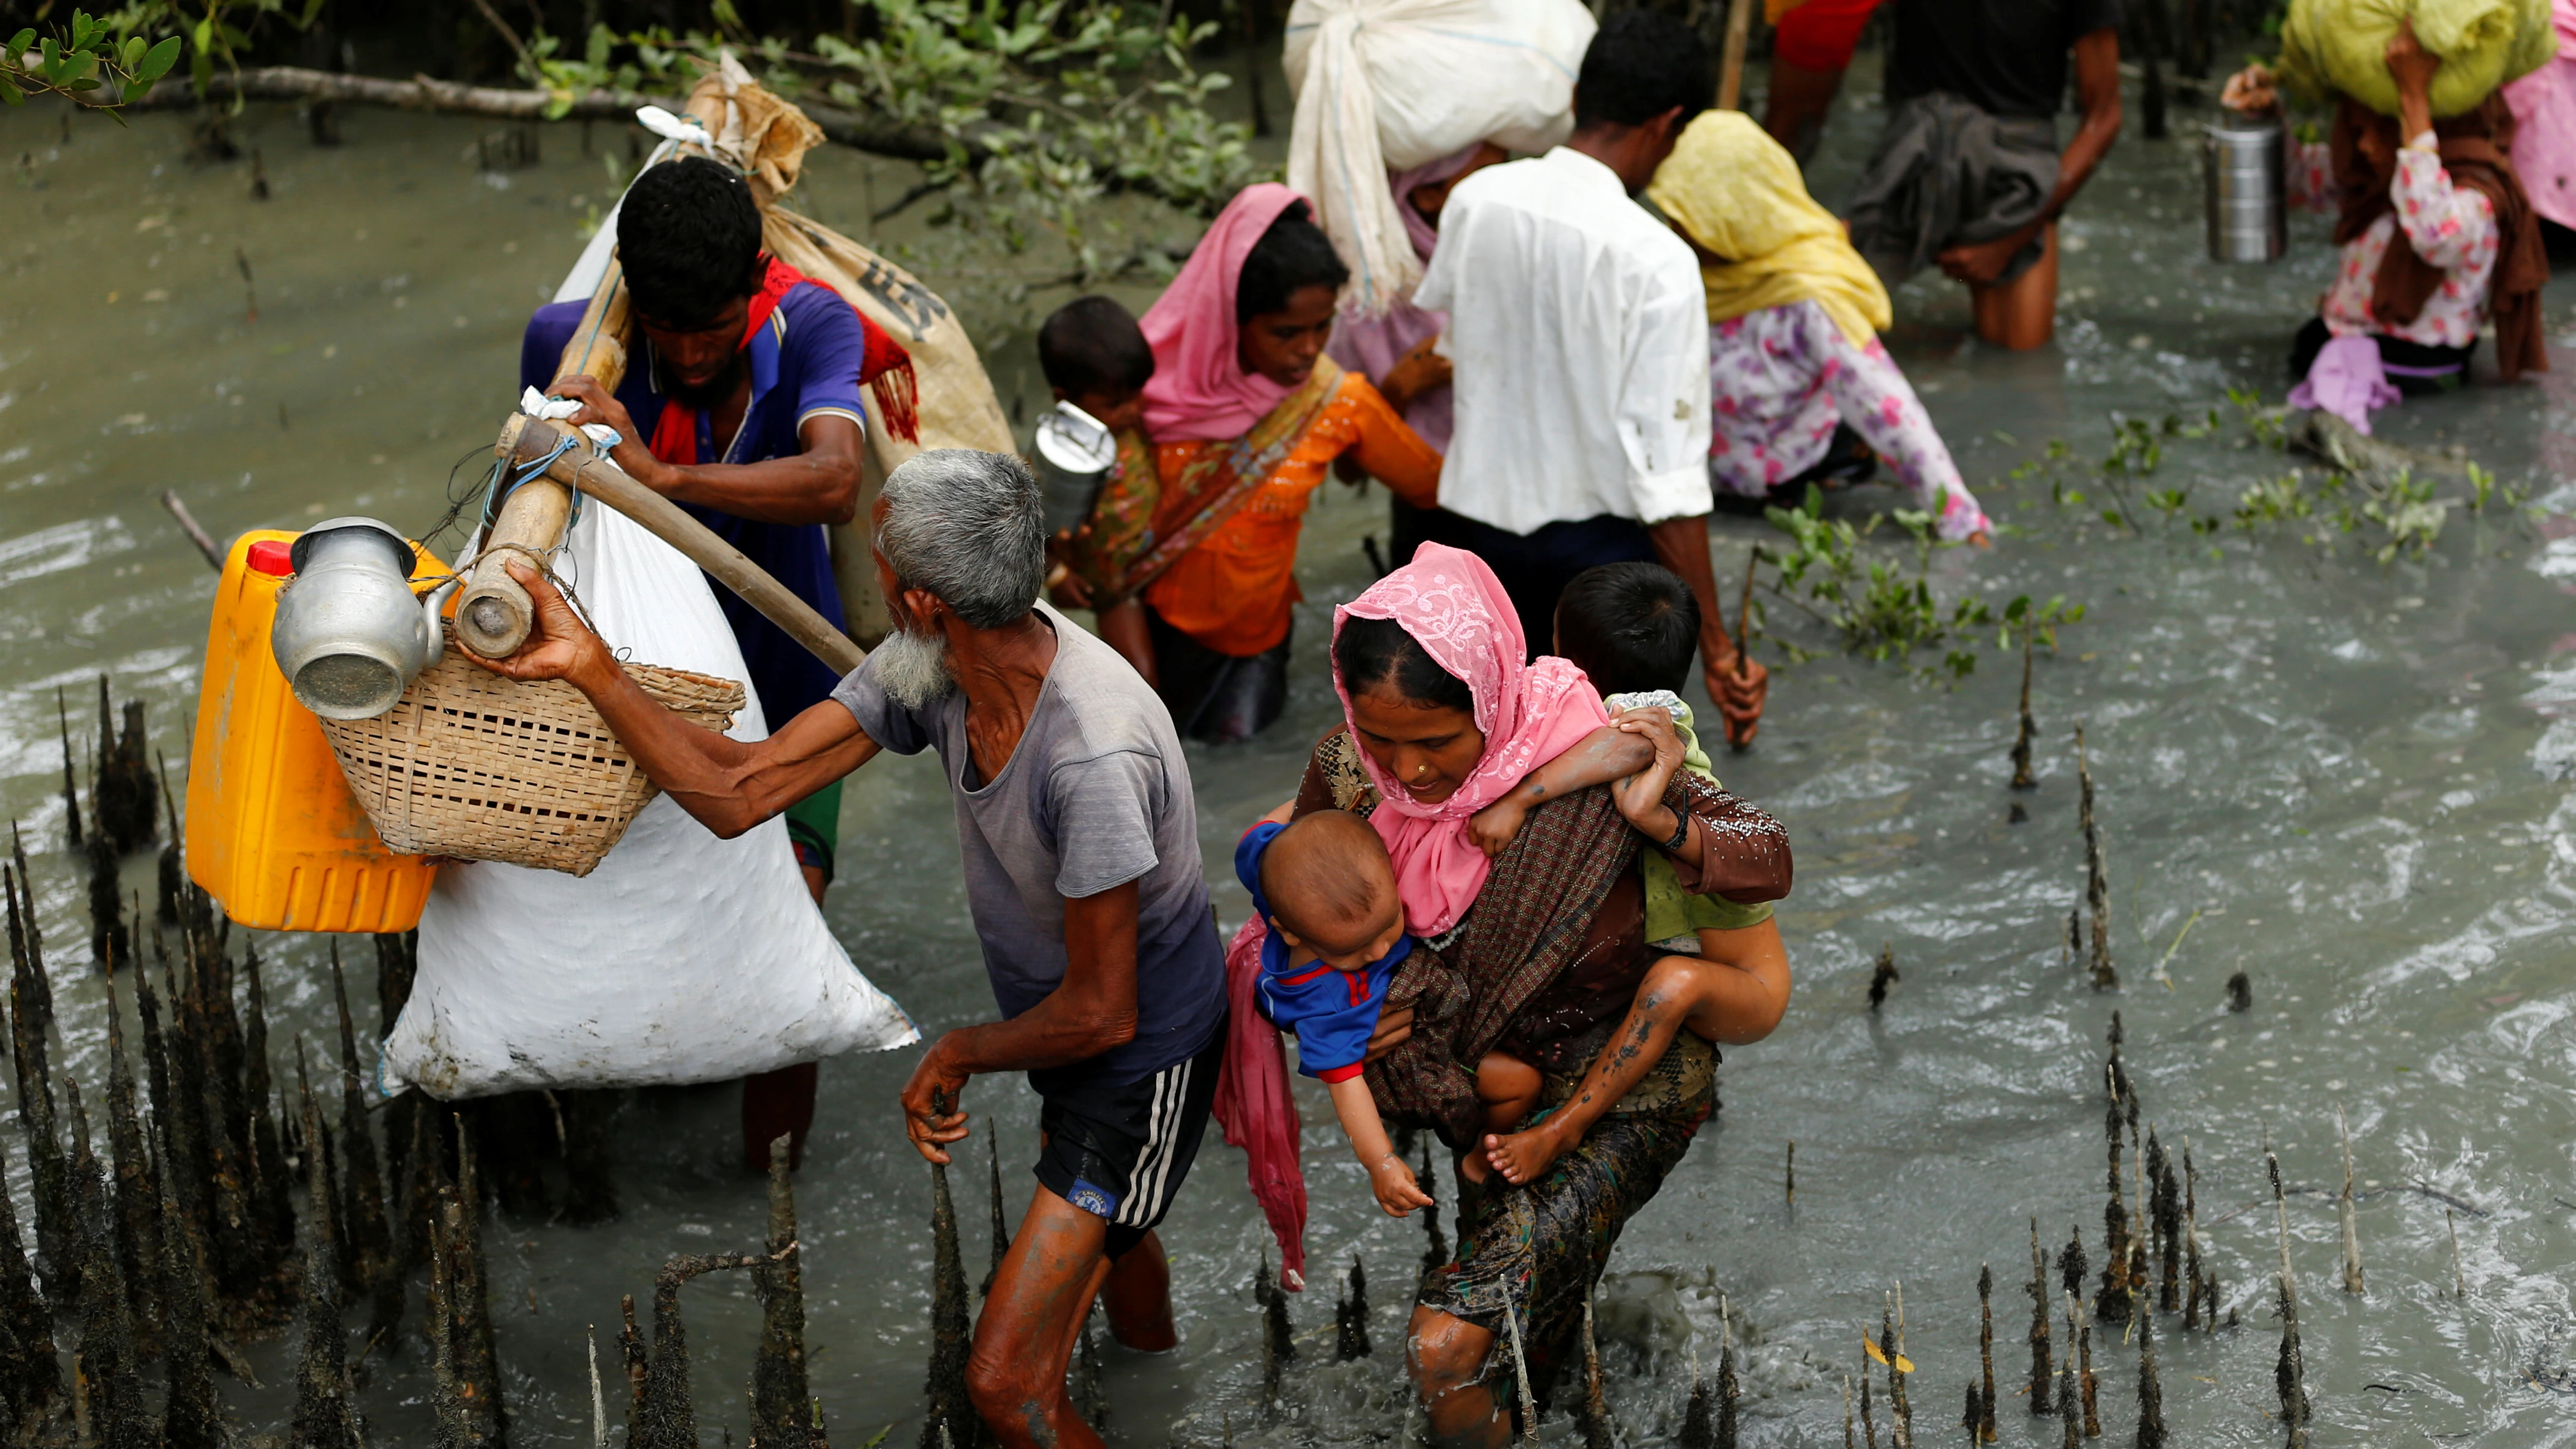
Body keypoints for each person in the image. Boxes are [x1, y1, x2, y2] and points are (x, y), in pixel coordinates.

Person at [466, 450, 1228, 1449]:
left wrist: (955, 1050)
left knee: (1006, 1389)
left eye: (875, 558)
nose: (864, 570)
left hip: (1141, 1058)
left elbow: (1105, 1013)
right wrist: (589, 668)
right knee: (1116, 1236)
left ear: (919, 598)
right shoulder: (935, 664)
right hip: (1072, 1031)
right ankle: (1157, 1380)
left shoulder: (1092, 755)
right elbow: (741, 790)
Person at [1209, 544, 1793, 1441]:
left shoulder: (1594, 749)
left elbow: (1765, 855)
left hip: (1619, 1098)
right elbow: (1308, 911)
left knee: (1445, 1345)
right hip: (1470, 1094)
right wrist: (1352, 1012)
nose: (1406, 773)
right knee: (1523, 1339)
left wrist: (1658, 815)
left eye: (1437, 741)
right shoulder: (1344, 773)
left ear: (1488, 694)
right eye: (1381, 739)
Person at [522, 153, 919, 1170]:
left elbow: (834, 479)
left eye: (715, 329)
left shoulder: (811, 324)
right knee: (608, 942)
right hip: (626, 700)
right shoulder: (569, 350)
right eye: (670, 331)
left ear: (754, 281)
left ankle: (769, 1197)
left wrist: (657, 477)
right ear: (632, 299)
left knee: (785, 960)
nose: (693, 356)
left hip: (788, 698)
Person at [1408, 10, 1771, 746]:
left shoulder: (1477, 203)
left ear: (1578, 94)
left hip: (1471, 547)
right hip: (1595, 566)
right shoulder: (1656, 257)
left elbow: (1456, 348)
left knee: (1481, 756)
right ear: (1668, 124)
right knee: (1594, 780)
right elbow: (1667, 481)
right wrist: (1718, 645)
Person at [1073, 184, 1444, 742]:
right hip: (1139, 631)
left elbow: (1431, 488)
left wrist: (1399, 388)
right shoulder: (1139, 393)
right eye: (1286, 333)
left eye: (1323, 328)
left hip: (1253, 645)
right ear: (1229, 319)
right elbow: (1070, 510)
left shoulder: (1335, 401)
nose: (1308, 350)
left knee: (1229, 760)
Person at [1471, 562, 1793, 1184]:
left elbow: (1629, 742)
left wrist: (1520, 799)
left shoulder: (1651, 729)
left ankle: (1562, 1132)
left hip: (1747, 987)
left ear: (1563, 651)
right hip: (1676, 954)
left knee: (1673, 983)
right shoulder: (1613, 719)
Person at [1645, 111, 1994, 542]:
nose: (1674, 230)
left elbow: (1888, 408)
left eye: (1688, 217)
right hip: (1708, 478)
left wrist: (1958, 518)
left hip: (1794, 478)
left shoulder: (1807, 293)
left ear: (1734, 217)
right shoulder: (1678, 271)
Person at [2223, 31, 2551, 433]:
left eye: (2377, 128)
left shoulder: (2478, 196)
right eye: (2357, 128)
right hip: (2349, 338)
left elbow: (2433, 234)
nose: (2361, 143)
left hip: (2421, 366)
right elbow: (2301, 181)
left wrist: (2414, 99)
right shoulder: (2378, 180)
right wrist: (2267, 114)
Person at [1840, 0, 2125, 351]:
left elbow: (2105, 117)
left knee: (2022, 364)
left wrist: (2012, 240)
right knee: (1825, 318)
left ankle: (1948, 321)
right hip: (1915, 149)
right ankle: (1926, 331)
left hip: (2018, 167)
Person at [1322, 141, 1510, 562]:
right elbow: (1347, 468)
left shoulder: (1516, 262)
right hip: (1432, 514)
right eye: (1484, 177)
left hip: (1527, 508)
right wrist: (1397, 390)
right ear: (1427, 194)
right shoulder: (1373, 298)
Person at [1034, 295, 1159, 673]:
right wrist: (1057, 574)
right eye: (1118, 402)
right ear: (1066, 401)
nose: (1135, 408)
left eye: (1139, 394)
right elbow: (1031, 526)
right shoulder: (1059, 457)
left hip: (1154, 557)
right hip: (1110, 589)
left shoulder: (1133, 424)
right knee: (1142, 677)